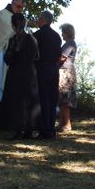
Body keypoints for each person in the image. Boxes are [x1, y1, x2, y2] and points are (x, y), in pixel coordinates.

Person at [0, 13, 41, 138]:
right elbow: (37, 56)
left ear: (13, 25)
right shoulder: (32, 39)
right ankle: (29, 129)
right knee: (29, 100)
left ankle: (17, 129)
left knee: (16, 100)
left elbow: (8, 58)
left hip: (16, 73)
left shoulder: (13, 40)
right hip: (30, 73)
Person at [0, 0, 24, 103]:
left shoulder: (14, 16)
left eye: (22, 8)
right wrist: (20, 29)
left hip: (10, 54)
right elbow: (7, 31)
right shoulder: (3, 14)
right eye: (18, 6)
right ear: (13, 3)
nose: (20, 10)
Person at [33, 10, 62, 139]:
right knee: (52, 99)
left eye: (39, 18)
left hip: (42, 68)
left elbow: (33, 53)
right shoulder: (57, 36)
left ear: (43, 20)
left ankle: (44, 130)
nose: (37, 21)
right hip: (54, 69)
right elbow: (58, 54)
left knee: (43, 98)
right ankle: (51, 128)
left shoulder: (37, 35)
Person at [58, 23, 78, 132]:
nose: (62, 34)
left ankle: (66, 125)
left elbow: (62, 58)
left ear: (67, 32)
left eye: (63, 32)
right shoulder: (69, 43)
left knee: (64, 100)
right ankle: (62, 123)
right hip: (66, 72)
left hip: (65, 73)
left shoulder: (69, 43)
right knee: (62, 99)